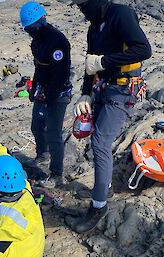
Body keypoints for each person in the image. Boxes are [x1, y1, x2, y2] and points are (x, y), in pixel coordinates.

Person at [65, 0, 152, 233]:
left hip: (123, 91)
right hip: (103, 88)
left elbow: (144, 49)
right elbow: (89, 65)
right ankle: (106, 187)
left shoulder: (120, 14)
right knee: (98, 139)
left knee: (100, 142)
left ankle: (99, 206)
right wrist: (84, 95)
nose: (80, 10)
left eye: (82, 4)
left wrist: (104, 61)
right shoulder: (94, 26)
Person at [20, 1, 73, 188]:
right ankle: (43, 154)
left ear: (42, 20)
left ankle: (57, 174)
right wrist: (34, 88)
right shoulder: (36, 42)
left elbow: (61, 74)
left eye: (33, 28)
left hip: (59, 92)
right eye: (28, 30)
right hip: (43, 89)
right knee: (36, 125)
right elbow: (38, 68)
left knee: (53, 132)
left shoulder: (58, 41)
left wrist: (50, 98)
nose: (31, 32)